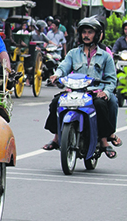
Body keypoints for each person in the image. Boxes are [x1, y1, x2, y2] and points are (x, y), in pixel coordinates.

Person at [42, 16, 120, 158]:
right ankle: (57, 138)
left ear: (96, 35)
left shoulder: (106, 57)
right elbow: (63, 67)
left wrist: (106, 92)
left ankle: (103, 140)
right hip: (75, 91)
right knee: (55, 103)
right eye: (84, 32)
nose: (86, 35)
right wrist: (56, 75)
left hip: (96, 92)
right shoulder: (73, 53)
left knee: (101, 105)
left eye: (90, 32)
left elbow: (111, 79)